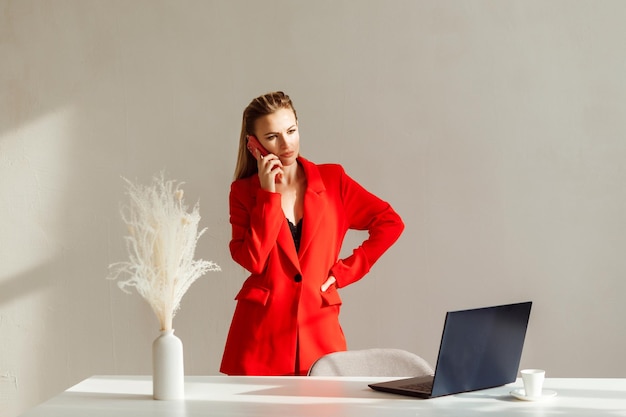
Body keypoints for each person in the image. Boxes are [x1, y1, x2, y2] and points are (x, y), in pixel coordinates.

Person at [220, 91, 405, 376]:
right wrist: (268, 195)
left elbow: (389, 222)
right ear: (253, 145)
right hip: (260, 339)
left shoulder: (334, 181)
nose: (286, 143)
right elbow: (253, 261)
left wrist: (345, 271)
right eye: (272, 137)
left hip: (318, 330)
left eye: (291, 131)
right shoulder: (244, 193)